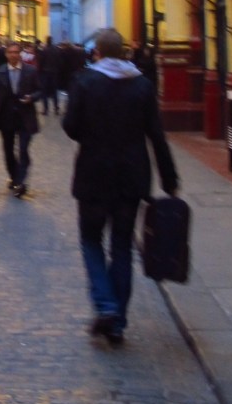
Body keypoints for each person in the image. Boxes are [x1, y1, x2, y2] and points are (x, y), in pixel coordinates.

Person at [62, 26, 179, 346]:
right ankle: (117, 322)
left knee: (90, 241)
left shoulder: (84, 82)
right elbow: (156, 135)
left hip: (93, 177)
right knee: (122, 246)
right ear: (124, 52)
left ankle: (106, 305)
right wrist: (170, 179)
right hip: (131, 179)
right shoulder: (141, 85)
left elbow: (71, 128)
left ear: (97, 52)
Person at [0, 40, 41, 197]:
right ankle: (14, 177)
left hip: (25, 115)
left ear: (20, 53)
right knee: (8, 150)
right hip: (6, 115)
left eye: (16, 52)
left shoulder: (30, 71)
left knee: (23, 149)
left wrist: (32, 97)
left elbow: (40, 90)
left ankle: (21, 182)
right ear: (6, 54)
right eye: (11, 52)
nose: (14, 55)